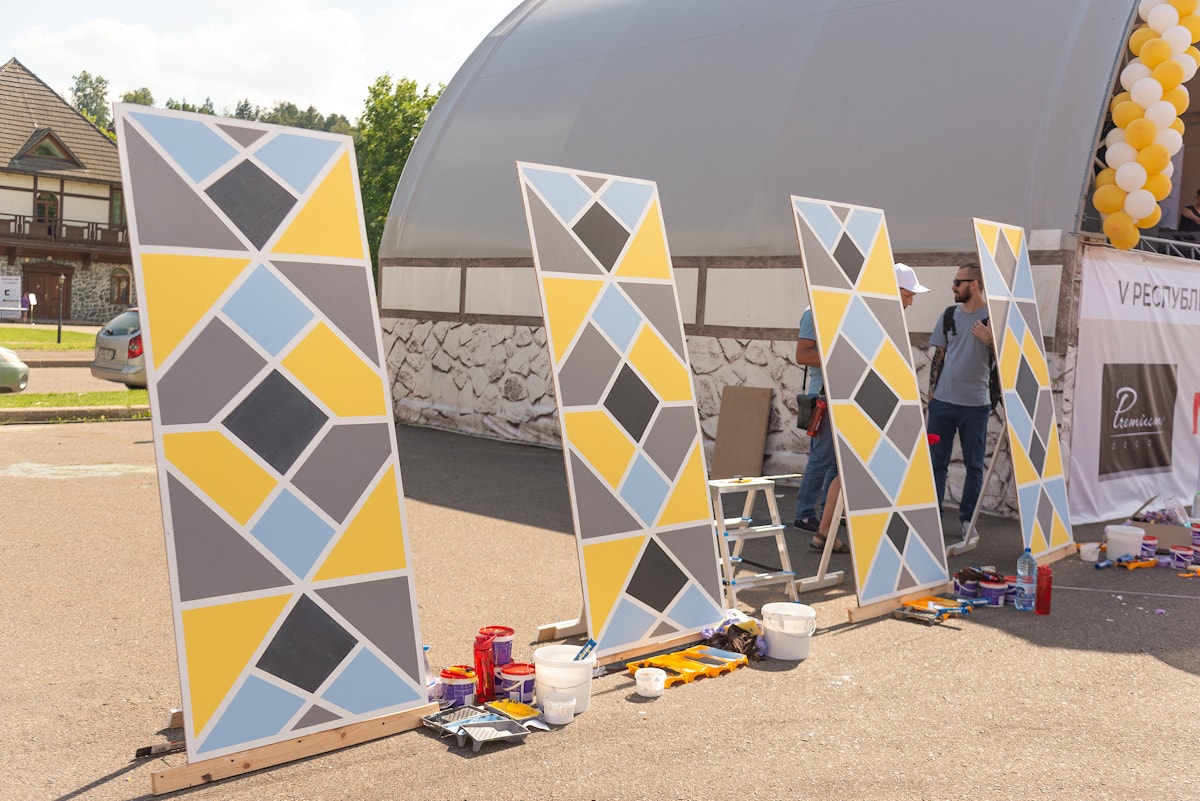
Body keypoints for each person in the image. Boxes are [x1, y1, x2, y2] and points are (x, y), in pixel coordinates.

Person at [811, 264, 930, 551]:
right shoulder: (872, 318)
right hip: (863, 406)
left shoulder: (871, 316)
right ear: (893, 291)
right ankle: (828, 533)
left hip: (868, 405)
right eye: (907, 294)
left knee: (854, 473)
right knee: (852, 473)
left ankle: (829, 532)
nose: (910, 301)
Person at [926, 263, 993, 540]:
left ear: (974, 284)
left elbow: (1009, 360)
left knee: (974, 465)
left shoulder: (993, 317)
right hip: (942, 404)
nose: (952, 287)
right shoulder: (948, 315)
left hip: (975, 405)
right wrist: (931, 396)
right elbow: (939, 357)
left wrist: (990, 340)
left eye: (957, 282)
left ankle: (968, 520)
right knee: (936, 463)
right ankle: (932, 518)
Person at [792, 304, 839, 549]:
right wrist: (842, 358)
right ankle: (804, 514)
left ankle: (827, 515)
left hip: (838, 397)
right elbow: (802, 355)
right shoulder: (813, 312)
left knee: (836, 463)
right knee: (822, 458)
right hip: (822, 397)